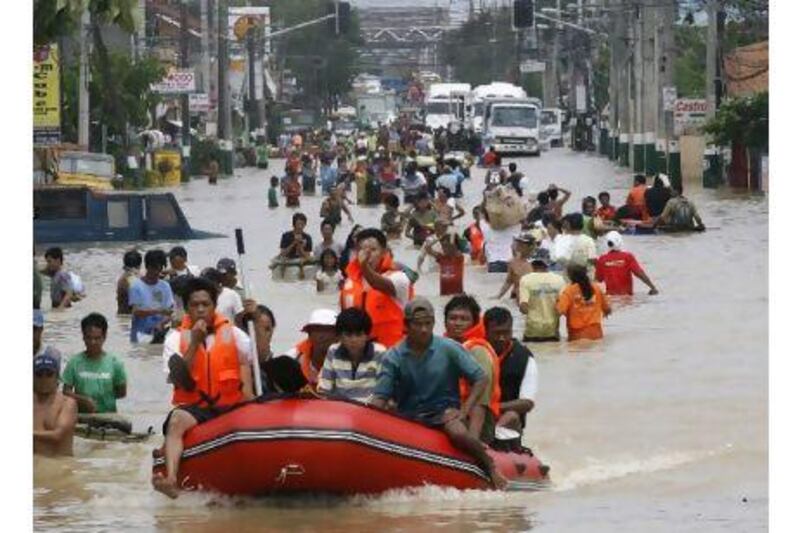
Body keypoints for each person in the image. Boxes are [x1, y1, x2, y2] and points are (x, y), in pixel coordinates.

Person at [371, 298, 507, 489]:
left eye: (428, 324)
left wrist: (465, 410)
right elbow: (381, 397)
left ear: (434, 324)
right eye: (418, 324)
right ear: (407, 325)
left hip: (443, 413)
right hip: (407, 415)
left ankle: (490, 466)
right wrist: (368, 416)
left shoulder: (448, 348)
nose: (424, 329)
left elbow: (480, 378)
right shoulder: (393, 356)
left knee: (458, 434)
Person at [154, 277, 255, 498]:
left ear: (214, 306)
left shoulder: (235, 335)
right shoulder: (175, 338)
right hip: (195, 408)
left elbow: (251, 367)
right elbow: (177, 379)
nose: (200, 309)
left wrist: (253, 318)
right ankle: (171, 478)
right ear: (187, 307)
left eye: (205, 304)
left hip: (229, 406)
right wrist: (194, 343)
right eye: (194, 305)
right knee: (176, 420)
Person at [340, 228, 414, 349]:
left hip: (392, 354)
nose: (367, 254)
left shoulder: (399, 278)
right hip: (359, 355)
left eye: (373, 250)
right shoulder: (348, 283)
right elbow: (343, 322)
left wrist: (364, 266)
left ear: (384, 252)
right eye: (362, 250)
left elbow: (377, 284)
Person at [443, 295, 501, 444]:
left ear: (474, 323)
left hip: (477, 421)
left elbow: (481, 399)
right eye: (453, 318)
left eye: (464, 319)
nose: (457, 323)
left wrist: (473, 440)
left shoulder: (478, 351)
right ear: (445, 322)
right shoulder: (442, 347)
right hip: (450, 413)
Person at [483, 307, 539, 433]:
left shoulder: (524, 358)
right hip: (477, 415)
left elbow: (527, 403)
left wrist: (492, 407)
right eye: (497, 333)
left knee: (512, 416)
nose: (502, 338)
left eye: (506, 332)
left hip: (508, 421)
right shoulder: (476, 351)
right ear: (485, 331)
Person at [317, 308, 386, 403]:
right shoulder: (333, 351)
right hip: (340, 410)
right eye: (348, 335)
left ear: (367, 335)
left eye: (359, 335)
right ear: (340, 336)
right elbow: (324, 389)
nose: (353, 340)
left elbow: (383, 393)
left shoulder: (380, 353)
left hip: (371, 411)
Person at [62, 313, 127, 414]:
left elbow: (122, 393)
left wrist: (104, 397)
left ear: (104, 337)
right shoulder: (74, 362)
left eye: (97, 338)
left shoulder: (115, 363)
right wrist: (83, 400)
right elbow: (65, 392)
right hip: (81, 416)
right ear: (83, 337)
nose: (93, 342)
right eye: (89, 338)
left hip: (108, 416)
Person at [34, 353, 78, 457]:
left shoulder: (67, 403)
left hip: (59, 464)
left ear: (57, 377)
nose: (44, 379)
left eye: (49, 374)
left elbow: (58, 435)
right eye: (39, 374)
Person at [283, 309, 340, 388]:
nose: (321, 336)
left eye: (327, 330)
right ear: (309, 334)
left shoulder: (350, 360)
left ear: (338, 335)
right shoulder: (291, 359)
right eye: (317, 330)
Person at [557, 263, 612, 341]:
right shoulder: (597, 289)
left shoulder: (568, 291)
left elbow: (560, 310)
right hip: (596, 333)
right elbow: (607, 309)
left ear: (570, 276)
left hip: (577, 335)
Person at [129, 249, 174, 344]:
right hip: (140, 336)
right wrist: (158, 311)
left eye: (159, 268)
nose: (157, 272)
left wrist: (161, 323)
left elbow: (170, 312)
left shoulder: (165, 286)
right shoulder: (136, 286)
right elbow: (136, 312)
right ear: (147, 267)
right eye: (154, 268)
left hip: (159, 334)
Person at [595, 231, 659, 296]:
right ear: (620, 242)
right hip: (627, 297)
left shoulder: (602, 259)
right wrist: (653, 287)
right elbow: (639, 273)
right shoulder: (628, 257)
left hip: (610, 297)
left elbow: (599, 279)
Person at [518, 258, 567, 342]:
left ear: (532, 266)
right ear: (547, 266)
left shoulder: (526, 279)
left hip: (532, 331)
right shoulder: (559, 279)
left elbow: (524, 309)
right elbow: (561, 309)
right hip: (552, 331)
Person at [553, 213, 598, 278]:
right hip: (585, 276)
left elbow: (558, 258)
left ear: (570, 225)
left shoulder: (562, 240)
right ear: (582, 225)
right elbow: (592, 259)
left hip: (569, 276)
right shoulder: (588, 240)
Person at [495, 234, 536, 300]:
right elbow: (508, 282)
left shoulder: (537, 263)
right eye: (518, 242)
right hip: (516, 297)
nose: (519, 245)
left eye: (522, 243)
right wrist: (498, 296)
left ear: (530, 246)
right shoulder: (512, 262)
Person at [116, 250, 142, 315]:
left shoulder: (122, 279)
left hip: (122, 317)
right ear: (139, 265)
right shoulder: (136, 279)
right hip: (131, 316)